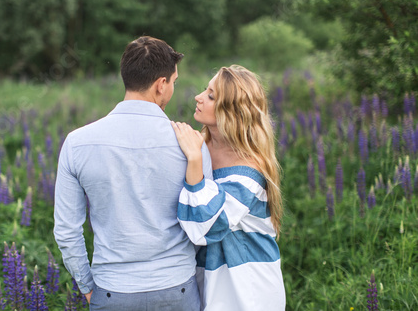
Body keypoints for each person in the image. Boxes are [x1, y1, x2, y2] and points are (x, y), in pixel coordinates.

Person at [53, 36, 212, 311]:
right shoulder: (192, 144)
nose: (172, 88)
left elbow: (67, 231)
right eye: (173, 82)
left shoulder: (77, 143)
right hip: (177, 289)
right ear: (161, 85)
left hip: (113, 291)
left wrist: (88, 286)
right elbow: (204, 223)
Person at [171, 65, 286, 310]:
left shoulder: (249, 171)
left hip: (247, 290)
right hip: (209, 281)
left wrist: (194, 161)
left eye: (211, 96)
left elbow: (205, 226)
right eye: (205, 90)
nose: (198, 97)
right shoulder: (200, 144)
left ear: (231, 112)